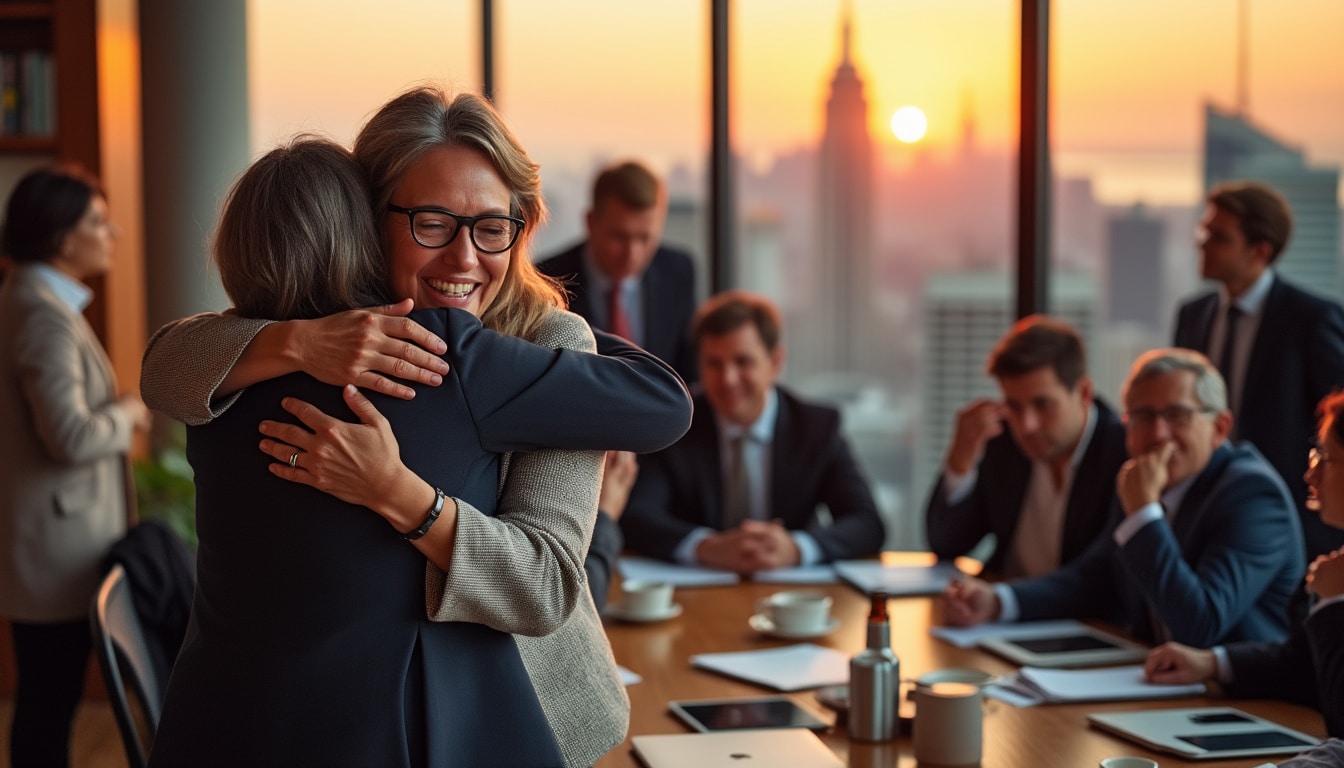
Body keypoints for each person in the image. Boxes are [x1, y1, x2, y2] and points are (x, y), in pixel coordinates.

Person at [141, 89, 690, 767]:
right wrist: (300, 342)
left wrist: (398, 493)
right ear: (369, 218)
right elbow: (164, 366)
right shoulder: (324, 336)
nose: (464, 258)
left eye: (492, 227)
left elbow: (542, 585)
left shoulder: (548, 344)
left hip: (523, 699)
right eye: (432, 223)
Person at [942, 348, 1305, 647]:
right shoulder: (1140, 481)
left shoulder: (1252, 495)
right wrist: (998, 601)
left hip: (1245, 701)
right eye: (1143, 416)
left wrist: (1144, 513)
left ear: (1220, 427)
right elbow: (1097, 578)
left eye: (1177, 415)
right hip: (1157, 681)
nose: (1158, 433)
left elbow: (1200, 624)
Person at [0, 165, 152, 768]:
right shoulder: (41, 313)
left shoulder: (31, 299)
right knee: (49, 705)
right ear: (61, 236)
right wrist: (129, 413)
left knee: (46, 702)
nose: (113, 233)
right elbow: (68, 436)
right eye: (97, 221)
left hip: (50, 543)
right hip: (55, 550)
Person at [619, 290, 885, 573]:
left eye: (743, 361)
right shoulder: (674, 424)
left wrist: (796, 549)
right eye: (714, 363)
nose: (728, 379)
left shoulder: (817, 427)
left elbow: (867, 523)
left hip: (789, 590)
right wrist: (706, 546)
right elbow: (636, 515)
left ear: (775, 362)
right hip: (699, 591)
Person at [1144, 390, 1344, 737]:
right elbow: (1300, 666)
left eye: (1325, 458)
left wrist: (1333, 604)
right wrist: (1212, 663)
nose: (1310, 475)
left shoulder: (1249, 489)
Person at [1173, 180, 1344, 562]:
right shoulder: (1193, 315)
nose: (1202, 243)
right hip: (1207, 514)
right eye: (1203, 231)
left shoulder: (1310, 319)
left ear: (1260, 250)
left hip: (1293, 524)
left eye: (1219, 236)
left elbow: (1338, 420)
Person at [925, 315, 1127, 577]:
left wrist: (1007, 598)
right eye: (1014, 406)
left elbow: (1102, 575)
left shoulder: (1121, 452)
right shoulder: (1003, 439)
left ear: (1084, 393)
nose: (1027, 425)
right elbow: (946, 543)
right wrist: (960, 461)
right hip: (1000, 598)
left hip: (1063, 605)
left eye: (1043, 404)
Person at [536, 160, 697, 384]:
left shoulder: (678, 271)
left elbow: (687, 372)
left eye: (645, 238)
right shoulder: (545, 279)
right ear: (591, 223)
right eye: (620, 237)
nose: (633, 253)